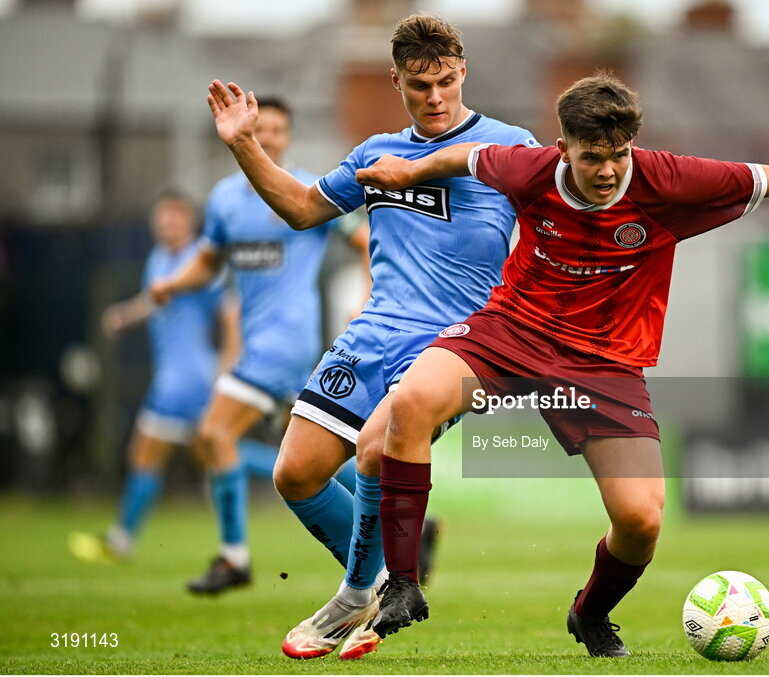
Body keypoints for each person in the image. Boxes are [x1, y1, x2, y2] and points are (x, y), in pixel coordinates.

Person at [355, 72, 769, 657]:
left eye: (618, 155)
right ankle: (404, 586)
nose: (608, 170)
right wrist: (408, 171)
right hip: (513, 330)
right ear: (562, 149)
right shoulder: (528, 169)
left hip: (605, 360)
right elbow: (468, 156)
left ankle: (590, 613)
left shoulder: (669, 180)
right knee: (411, 402)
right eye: (592, 158)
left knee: (641, 520)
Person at [204, 13, 538, 660]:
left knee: (381, 450)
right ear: (397, 81)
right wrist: (246, 145)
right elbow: (303, 209)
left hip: (452, 346)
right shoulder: (374, 154)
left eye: (444, 81)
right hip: (372, 334)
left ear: (462, 71)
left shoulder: (508, 146)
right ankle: (378, 576)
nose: (435, 96)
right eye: (420, 86)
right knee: (295, 473)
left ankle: (358, 591)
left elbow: (561, 214)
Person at [150, 97, 369, 595]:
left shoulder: (306, 192)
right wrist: (172, 284)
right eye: (259, 128)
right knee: (319, 455)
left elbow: (363, 240)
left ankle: (234, 558)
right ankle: (406, 526)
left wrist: (365, 298)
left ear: (286, 137)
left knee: (214, 432)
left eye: (275, 130)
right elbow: (208, 263)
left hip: (285, 344)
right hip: (260, 346)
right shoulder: (226, 200)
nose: (266, 137)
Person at [68, 192, 239, 563]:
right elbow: (156, 300)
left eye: (173, 218)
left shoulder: (202, 260)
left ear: (189, 222)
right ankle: (248, 526)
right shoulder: (159, 259)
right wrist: (126, 315)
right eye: (160, 219)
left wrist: (225, 370)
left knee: (147, 454)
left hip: (186, 379)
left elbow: (229, 315)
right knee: (215, 456)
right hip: (177, 377)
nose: (165, 225)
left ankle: (121, 541)